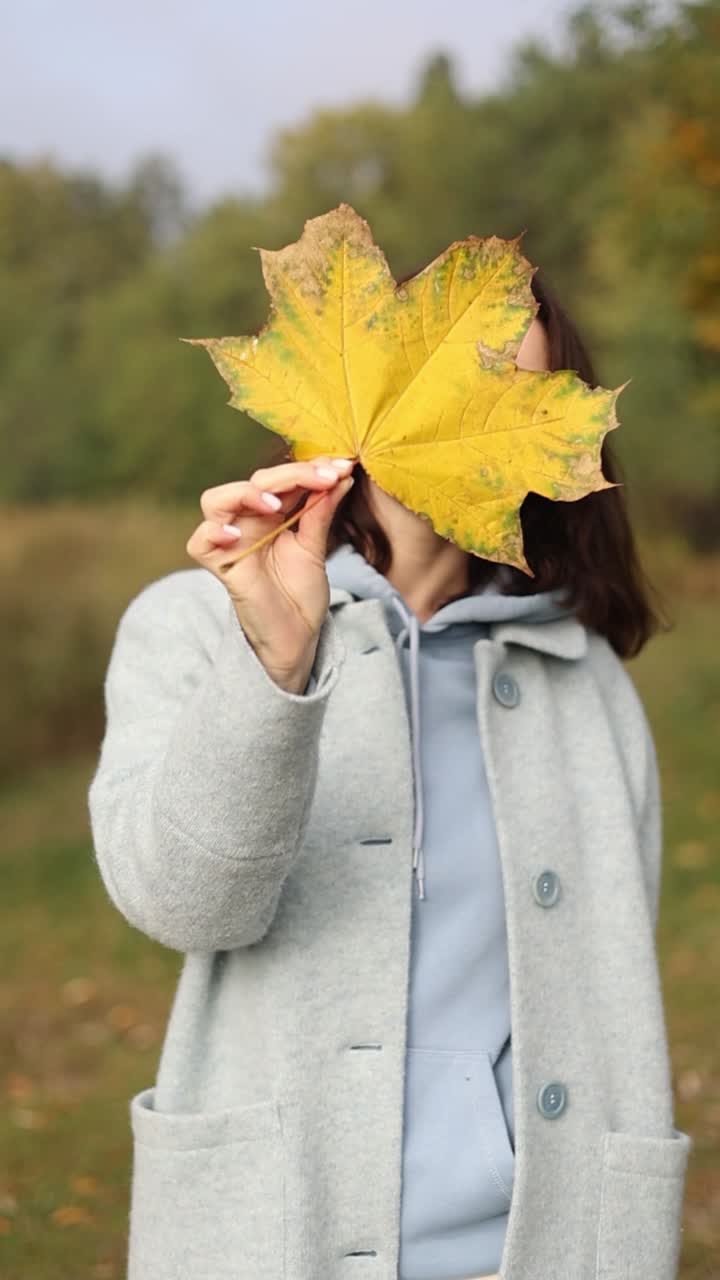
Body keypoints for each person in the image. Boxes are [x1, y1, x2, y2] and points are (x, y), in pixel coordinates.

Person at [88, 269, 693, 1280]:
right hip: (279, 1232)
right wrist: (275, 668)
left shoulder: (583, 679)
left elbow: (610, 992)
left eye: (512, 393)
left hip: (532, 1244)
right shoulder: (192, 623)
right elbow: (184, 903)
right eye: (445, 377)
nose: (467, 415)